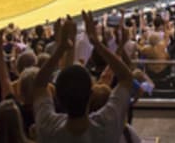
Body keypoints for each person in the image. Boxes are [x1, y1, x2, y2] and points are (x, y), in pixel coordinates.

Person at [33, 12, 133, 141]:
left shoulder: (49, 128)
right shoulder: (107, 125)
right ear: (91, 95)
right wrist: (97, 42)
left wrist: (61, 48)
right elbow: (126, 77)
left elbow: (39, 85)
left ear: (57, 97)